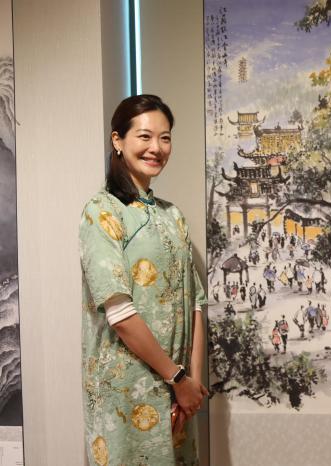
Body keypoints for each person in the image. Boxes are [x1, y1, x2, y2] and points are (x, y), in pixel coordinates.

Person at [79, 95, 208, 465]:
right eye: (145, 136)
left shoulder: (173, 216)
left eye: (165, 138)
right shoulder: (102, 211)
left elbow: (196, 303)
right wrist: (177, 379)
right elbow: (119, 312)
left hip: (178, 392)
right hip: (127, 391)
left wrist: (192, 383)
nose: (156, 148)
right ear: (118, 140)